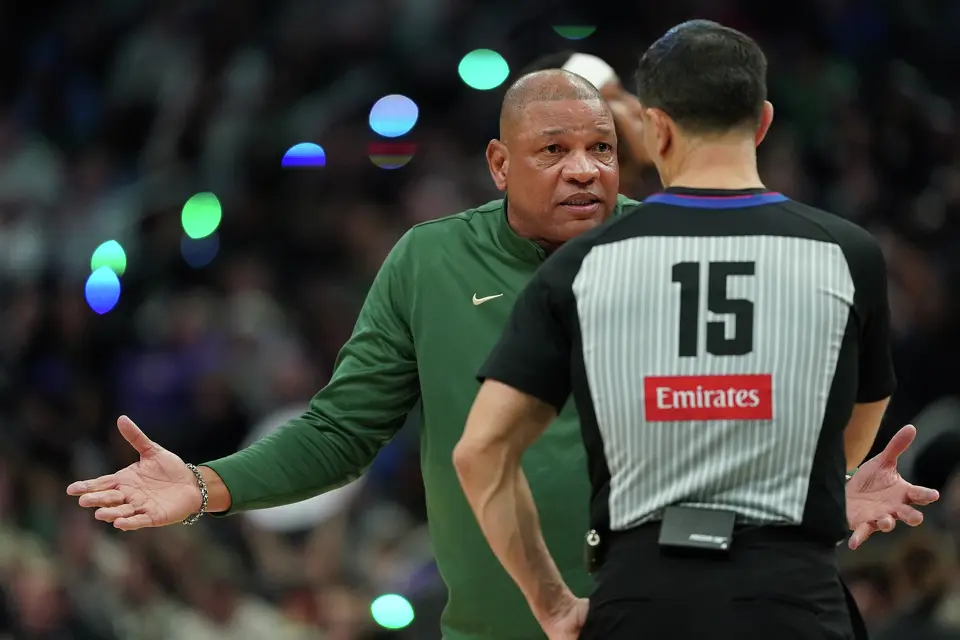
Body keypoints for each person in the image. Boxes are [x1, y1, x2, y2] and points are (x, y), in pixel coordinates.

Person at [69, 68, 932, 639]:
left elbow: (749, 411)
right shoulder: (428, 262)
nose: (586, 170)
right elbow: (340, 433)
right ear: (497, 163)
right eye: (554, 151)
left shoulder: (672, 244)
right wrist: (207, 486)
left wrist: (825, 487)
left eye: (600, 149)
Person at [453, 21, 940, 640]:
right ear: (762, 122)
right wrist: (821, 492)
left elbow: (480, 453)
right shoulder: (849, 253)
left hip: (642, 599)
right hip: (791, 600)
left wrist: (551, 604)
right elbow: (844, 443)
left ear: (654, 128)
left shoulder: (580, 264)